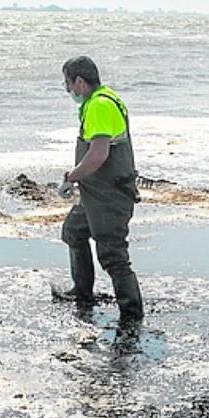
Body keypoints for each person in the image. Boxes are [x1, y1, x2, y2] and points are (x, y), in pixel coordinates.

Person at [58, 56, 143, 323]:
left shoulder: (100, 106)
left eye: (67, 83)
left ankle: (132, 314)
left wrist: (71, 177)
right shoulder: (100, 100)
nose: (67, 89)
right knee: (74, 231)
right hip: (93, 193)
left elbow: (98, 155)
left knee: (112, 255)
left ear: (80, 82)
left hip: (110, 195)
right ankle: (82, 292)